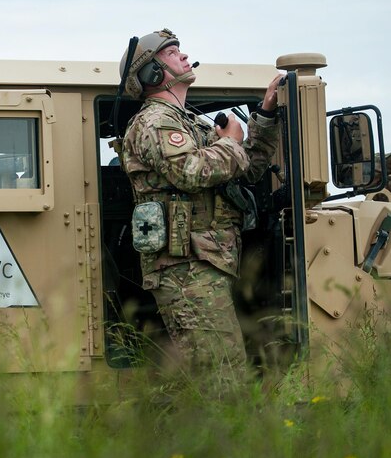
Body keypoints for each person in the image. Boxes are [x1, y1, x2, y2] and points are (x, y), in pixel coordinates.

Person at [117, 28, 283, 389]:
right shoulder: (155, 122)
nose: (182, 54)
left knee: (218, 372)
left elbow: (247, 167)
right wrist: (229, 144)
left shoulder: (188, 123)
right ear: (152, 74)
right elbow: (191, 171)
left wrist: (265, 116)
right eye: (171, 52)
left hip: (204, 263)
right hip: (185, 268)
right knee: (222, 377)